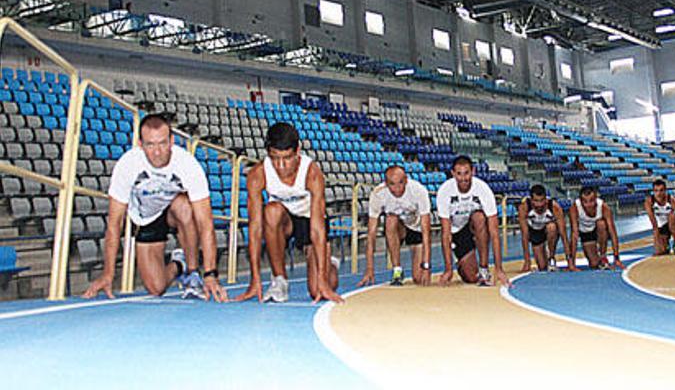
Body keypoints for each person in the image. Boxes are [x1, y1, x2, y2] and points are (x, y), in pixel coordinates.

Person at [83, 114, 227, 302]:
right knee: (156, 288)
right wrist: (108, 274)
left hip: (175, 209)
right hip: (146, 216)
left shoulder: (188, 165)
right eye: (150, 145)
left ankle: (192, 274)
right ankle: (179, 264)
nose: (157, 152)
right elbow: (114, 223)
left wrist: (210, 274)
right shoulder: (127, 165)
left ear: (172, 141)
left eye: (162, 143)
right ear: (140, 144)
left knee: (185, 206)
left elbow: (205, 223)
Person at [235, 122, 341, 303]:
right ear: (268, 152)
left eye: (287, 158)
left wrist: (323, 281)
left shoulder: (312, 173)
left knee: (317, 290)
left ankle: (329, 263)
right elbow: (254, 229)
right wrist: (254, 279)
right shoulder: (258, 174)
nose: (281, 166)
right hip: (283, 220)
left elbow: (317, 229)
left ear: (298, 150)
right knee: (271, 211)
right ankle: (279, 280)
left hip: (309, 220)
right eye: (275, 158)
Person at [436, 156, 510, 287]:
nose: (463, 178)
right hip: (456, 231)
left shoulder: (483, 189)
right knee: (470, 277)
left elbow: (494, 231)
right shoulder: (445, 191)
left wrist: (499, 269)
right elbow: (446, 234)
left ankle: (484, 269)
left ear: (473, 171)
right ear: (453, 173)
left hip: (473, 225)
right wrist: (448, 270)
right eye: (459, 174)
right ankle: (460, 261)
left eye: (466, 173)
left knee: (479, 217)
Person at [358, 166, 432, 287]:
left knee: (419, 279)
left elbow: (426, 230)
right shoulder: (378, 194)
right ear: (386, 183)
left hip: (416, 228)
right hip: (398, 228)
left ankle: (416, 254)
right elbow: (371, 234)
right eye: (392, 184)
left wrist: (426, 265)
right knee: (390, 219)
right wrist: (369, 268)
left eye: (401, 183)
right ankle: (397, 270)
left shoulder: (419, 191)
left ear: (406, 180)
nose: (397, 188)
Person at [518, 184, 574, 272]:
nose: (539, 204)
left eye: (542, 200)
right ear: (531, 200)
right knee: (542, 267)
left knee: (551, 227)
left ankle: (551, 257)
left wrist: (570, 262)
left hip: (550, 230)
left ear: (546, 199)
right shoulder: (524, 207)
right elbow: (524, 235)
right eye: (536, 201)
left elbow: (564, 235)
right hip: (535, 232)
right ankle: (544, 256)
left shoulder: (555, 207)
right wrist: (527, 262)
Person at [569, 186, 625, 269]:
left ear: (596, 199)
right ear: (581, 202)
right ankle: (596, 258)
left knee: (601, 224)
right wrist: (572, 263)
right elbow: (574, 234)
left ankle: (603, 256)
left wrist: (616, 258)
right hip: (585, 232)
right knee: (594, 264)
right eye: (585, 202)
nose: (589, 205)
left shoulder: (604, 207)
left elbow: (613, 232)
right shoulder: (575, 208)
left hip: (598, 230)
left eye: (591, 201)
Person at [645, 179, 675, 256]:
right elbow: (654, 224)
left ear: (665, 190)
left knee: (672, 216)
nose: (659, 193)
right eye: (656, 191)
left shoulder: (673, 201)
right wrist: (658, 241)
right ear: (653, 191)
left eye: (661, 190)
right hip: (662, 226)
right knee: (660, 251)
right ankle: (666, 244)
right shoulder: (649, 202)